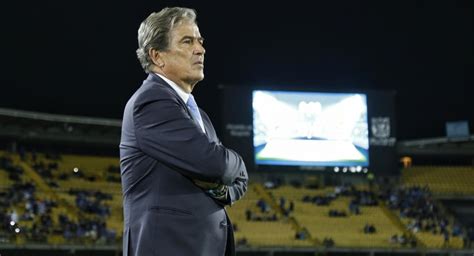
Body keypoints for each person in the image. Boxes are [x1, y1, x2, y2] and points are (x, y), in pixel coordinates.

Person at [120, 7, 248, 256]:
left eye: (200, 41)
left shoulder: (199, 115)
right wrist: (236, 162)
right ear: (157, 56)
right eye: (187, 41)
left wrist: (222, 185)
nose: (200, 49)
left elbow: (239, 181)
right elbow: (216, 165)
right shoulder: (152, 102)